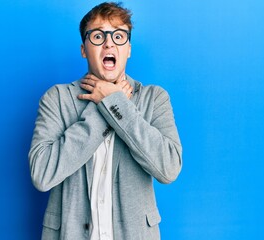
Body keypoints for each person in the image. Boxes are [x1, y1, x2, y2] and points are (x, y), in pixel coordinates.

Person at [28, 2, 182, 240]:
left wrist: (118, 105)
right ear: (83, 49)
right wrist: (104, 108)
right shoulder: (56, 99)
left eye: (119, 36)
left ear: (128, 48)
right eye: (98, 36)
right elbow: (42, 174)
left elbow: (168, 169)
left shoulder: (155, 98)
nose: (109, 43)